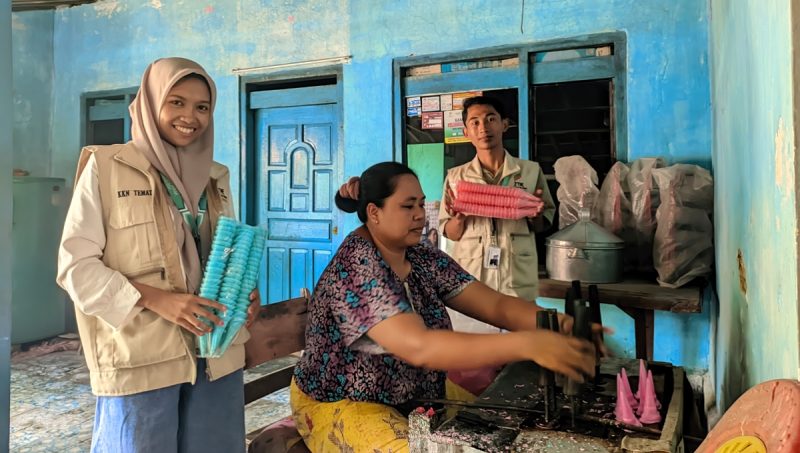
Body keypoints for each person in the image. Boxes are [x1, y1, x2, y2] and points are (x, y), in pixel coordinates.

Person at [291, 162, 597, 451]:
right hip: (344, 402)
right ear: (374, 212)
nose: (419, 215)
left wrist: (563, 324)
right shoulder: (358, 265)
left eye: (421, 205)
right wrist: (529, 344)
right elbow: (420, 347)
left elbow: (495, 305)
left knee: (501, 428)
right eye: (407, 206)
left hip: (416, 396)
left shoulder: (420, 255)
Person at [57, 57, 259, 453]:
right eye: (177, 102)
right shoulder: (106, 167)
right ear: (150, 104)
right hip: (142, 357)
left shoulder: (216, 176)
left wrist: (245, 296)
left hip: (216, 354)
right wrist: (158, 300)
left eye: (202, 107)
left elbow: (225, 253)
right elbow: (75, 268)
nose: (190, 117)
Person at [438, 95, 556, 334]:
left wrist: (534, 214)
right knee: (476, 360)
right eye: (475, 122)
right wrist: (458, 217)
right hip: (472, 282)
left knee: (519, 357)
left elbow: (543, 225)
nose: (483, 128)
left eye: (491, 119)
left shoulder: (530, 172)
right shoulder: (456, 177)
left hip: (516, 277)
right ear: (466, 131)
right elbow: (450, 233)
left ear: (504, 124)